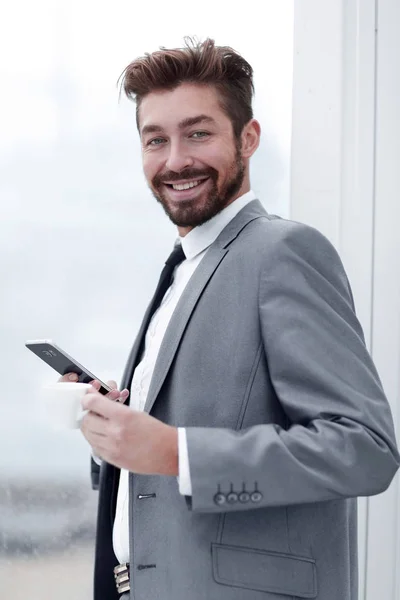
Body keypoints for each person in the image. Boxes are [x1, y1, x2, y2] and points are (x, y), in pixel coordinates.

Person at [69, 38, 399, 600]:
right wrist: (116, 436)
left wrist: (176, 452)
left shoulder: (283, 253)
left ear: (248, 139)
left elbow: (363, 451)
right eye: (156, 140)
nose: (175, 160)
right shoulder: (182, 271)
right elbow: (161, 468)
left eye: (198, 133)